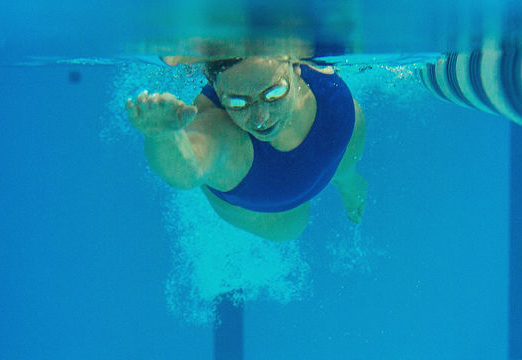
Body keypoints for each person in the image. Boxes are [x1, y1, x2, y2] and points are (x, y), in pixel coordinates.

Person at [126, 56, 367, 241]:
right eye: (238, 103)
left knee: (346, 162)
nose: (261, 117)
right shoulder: (220, 129)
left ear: (296, 66)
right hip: (270, 213)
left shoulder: (314, 66)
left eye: (274, 93)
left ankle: (347, 179)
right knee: (293, 226)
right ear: (218, 92)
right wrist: (162, 135)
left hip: (336, 148)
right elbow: (186, 171)